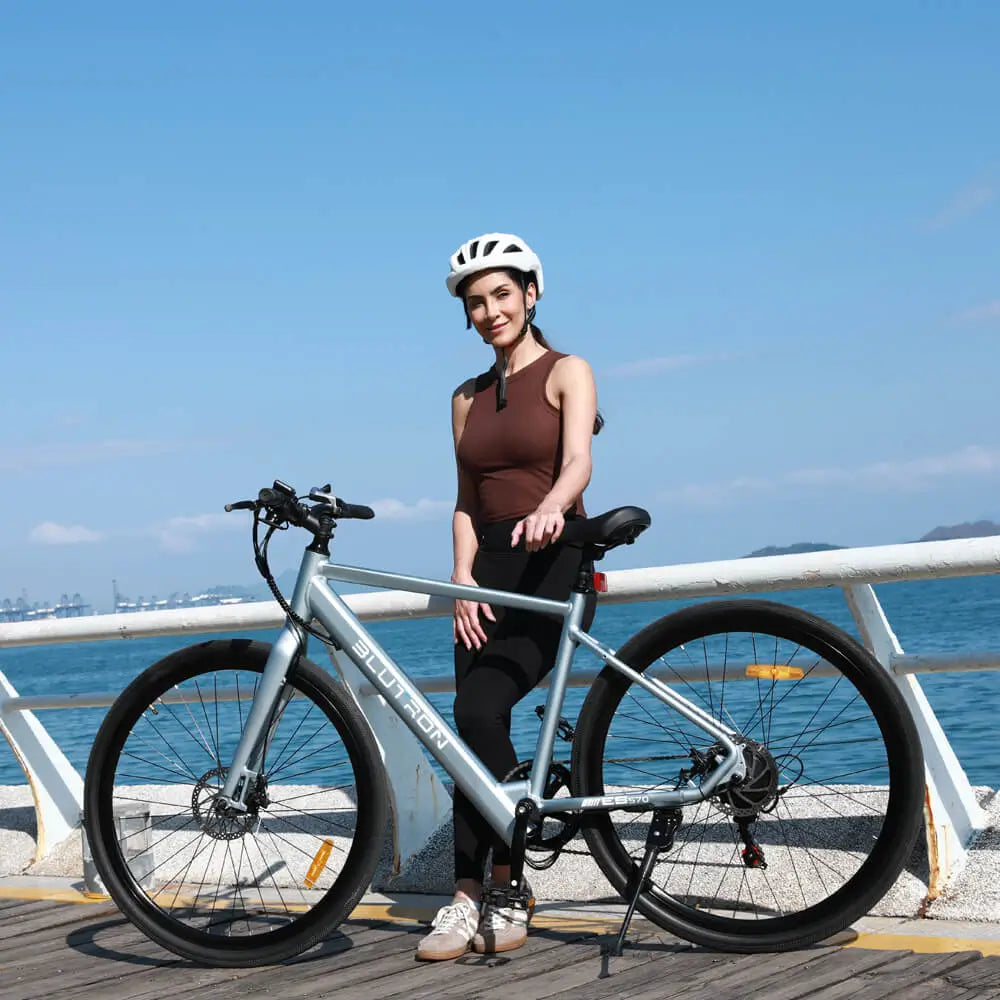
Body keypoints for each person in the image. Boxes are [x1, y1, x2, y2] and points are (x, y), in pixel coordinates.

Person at [416, 233, 601, 961]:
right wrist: (460, 577)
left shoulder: (567, 371)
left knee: (477, 711)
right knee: (467, 732)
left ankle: (507, 886)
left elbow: (580, 458)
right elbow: (464, 501)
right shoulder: (463, 398)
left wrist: (554, 505)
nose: (490, 310)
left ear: (530, 293)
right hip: (485, 573)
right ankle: (466, 899)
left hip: (553, 562)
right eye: (476, 302)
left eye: (502, 294)